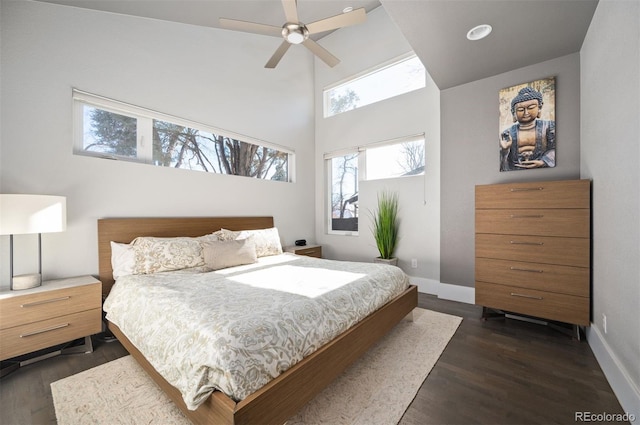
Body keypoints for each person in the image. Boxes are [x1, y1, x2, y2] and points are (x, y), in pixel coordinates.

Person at [500, 86, 555, 171]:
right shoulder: (508, 133)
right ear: (513, 113)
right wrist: (505, 150)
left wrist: (543, 161)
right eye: (521, 109)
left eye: (531, 108)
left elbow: (555, 149)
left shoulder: (548, 127)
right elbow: (502, 163)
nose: (526, 113)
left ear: (539, 108)